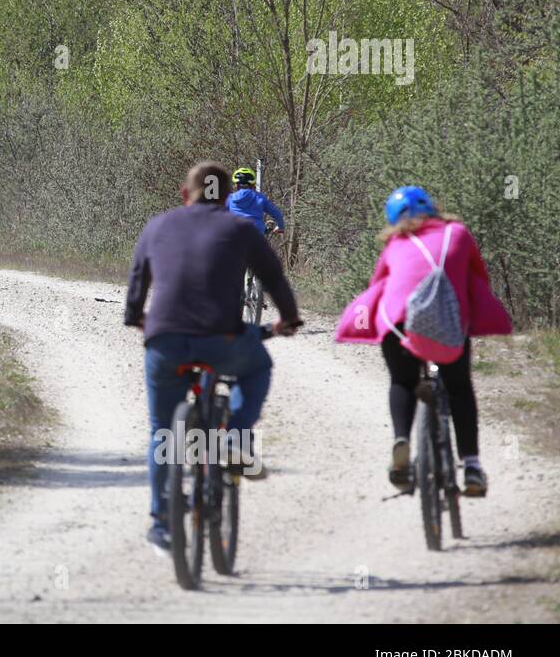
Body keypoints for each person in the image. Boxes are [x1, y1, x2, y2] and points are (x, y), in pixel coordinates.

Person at [125, 162, 300, 555]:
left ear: (184, 195)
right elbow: (272, 278)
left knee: (161, 431)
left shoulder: (159, 225)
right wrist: (288, 317)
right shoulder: (239, 228)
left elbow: (138, 277)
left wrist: (137, 317)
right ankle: (235, 437)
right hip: (222, 339)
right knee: (257, 366)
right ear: (225, 199)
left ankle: (162, 522)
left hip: (165, 341)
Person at [334, 186, 511, 497]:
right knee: (458, 387)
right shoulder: (457, 233)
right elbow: (478, 279)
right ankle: (471, 465)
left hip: (398, 325)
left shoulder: (395, 243)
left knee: (402, 382)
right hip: (447, 324)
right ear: (432, 208)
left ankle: (401, 439)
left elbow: (378, 285)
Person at [226, 166, 285, 234]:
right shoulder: (260, 198)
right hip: (256, 234)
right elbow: (277, 214)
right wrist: (280, 227)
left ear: (236, 185)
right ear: (253, 184)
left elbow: (217, 215)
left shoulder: (229, 199)